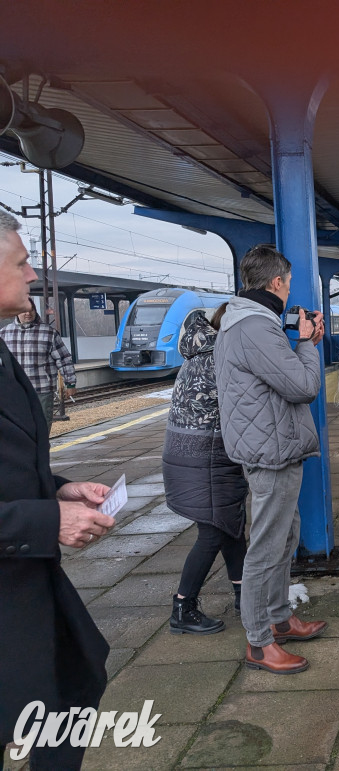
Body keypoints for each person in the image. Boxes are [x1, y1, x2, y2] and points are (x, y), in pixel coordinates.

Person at [0, 209, 115, 769]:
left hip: (23, 581)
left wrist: (59, 491)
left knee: (74, 691)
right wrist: (49, 522)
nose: (32, 275)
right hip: (13, 580)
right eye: (21, 263)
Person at [215, 244, 327, 675]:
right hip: (269, 450)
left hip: (271, 444)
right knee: (265, 546)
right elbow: (302, 386)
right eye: (289, 283)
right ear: (277, 282)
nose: (290, 290)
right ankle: (259, 642)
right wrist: (307, 343)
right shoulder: (255, 327)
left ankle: (279, 618)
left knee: (284, 536)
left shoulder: (247, 319)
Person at [163, 305, 249, 635]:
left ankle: (244, 594)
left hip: (193, 454)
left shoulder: (200, 353)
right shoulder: (220, 357)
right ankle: (183, 607)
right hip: (206, 456)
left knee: (229, 525)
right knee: (213, 532)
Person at [0, 302, 77, 433]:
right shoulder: (4, 334)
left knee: (41, 428)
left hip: (42, 390)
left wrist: (70, 384)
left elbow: (63, 359)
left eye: (31, 310)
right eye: (23, 310)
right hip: (14, 390)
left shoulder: (49, 333)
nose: (28, 313)